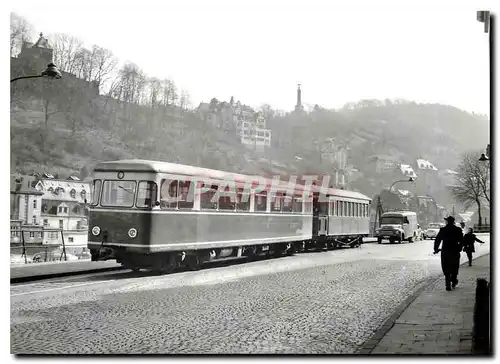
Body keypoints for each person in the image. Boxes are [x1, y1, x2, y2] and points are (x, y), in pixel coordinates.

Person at [434, 216, 464, 291]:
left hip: (445, 251)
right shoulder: (458, 229)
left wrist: (436, 249)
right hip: (455, 251)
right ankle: (454, 280)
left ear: (447, 221)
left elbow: (438, 240)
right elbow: (462, 241)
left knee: (446, 267)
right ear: (453, 222)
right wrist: (459, 248)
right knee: (455, 267)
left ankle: (447, 285)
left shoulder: (443, 230)